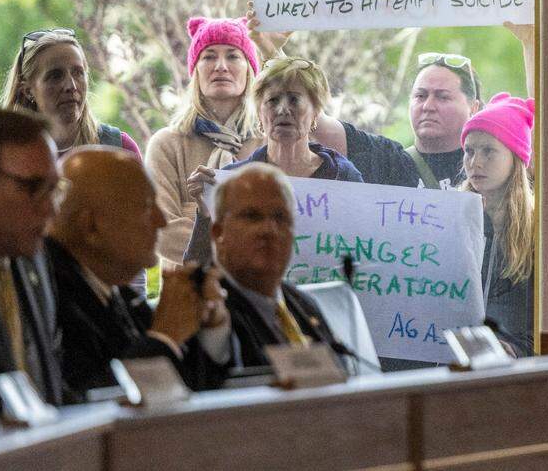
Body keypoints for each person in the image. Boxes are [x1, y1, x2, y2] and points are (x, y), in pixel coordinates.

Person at [46, 146, 233, 396]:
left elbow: (188, 389)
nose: (162, 221)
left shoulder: (116, 291)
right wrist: (165, 335)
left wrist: (210, 326)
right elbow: (84, 401)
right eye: (146, 207)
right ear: (90, 226)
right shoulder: (49, 297)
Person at [184, 56, 364, 264]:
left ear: (315, 112)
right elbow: (194, 270)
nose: (283, 110)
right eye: (273, 100)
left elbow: (365, 254)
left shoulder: (344, 176)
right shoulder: (232, 182)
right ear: (260, 114)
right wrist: (207, 213)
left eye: (294, 99)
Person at [243, 6, 421, 189]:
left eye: (443, 96)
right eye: (420, 95)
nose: (283, 109)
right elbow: (311, 117)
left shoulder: (345, 174)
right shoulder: (235, 177)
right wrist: (272, 52)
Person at [0, 108, 64, 417]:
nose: (50, 209)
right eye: (33, 188)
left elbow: (49, 391)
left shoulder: (34, 259)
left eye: (54, 189)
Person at [147, 17, 265, 268]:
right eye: (209, 56)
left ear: (249, 69)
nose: (220, 66)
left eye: (233, 56)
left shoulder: (269, 143)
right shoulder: (167, 144)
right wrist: (243, 245)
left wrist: (202, 226)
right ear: (195, 70)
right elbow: (160, 230)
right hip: (190, 297)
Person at [211, 164, 349, 370]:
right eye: (252, 216)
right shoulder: (206, 314)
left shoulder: (303, 304)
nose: (269, 230)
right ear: (218, 232)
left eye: (280, 218)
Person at [459, 92, 537, 357]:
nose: (475, 162)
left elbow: (540, 319)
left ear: (515, 158)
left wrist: (515, 350)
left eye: (489, 151)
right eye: (469, 151)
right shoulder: (449, 217)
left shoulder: (536, 228)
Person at [0, 27, 141, 159]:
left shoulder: (120, 149)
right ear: (27, 91)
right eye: (55, 76)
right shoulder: (4, 158)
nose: (71, 86)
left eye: (78, 73)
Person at [410, 53, 485, 189]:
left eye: (443, 97)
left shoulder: (488, 169)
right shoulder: (388, 163)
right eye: (420, 96)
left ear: (473, 108)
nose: (428, 106)